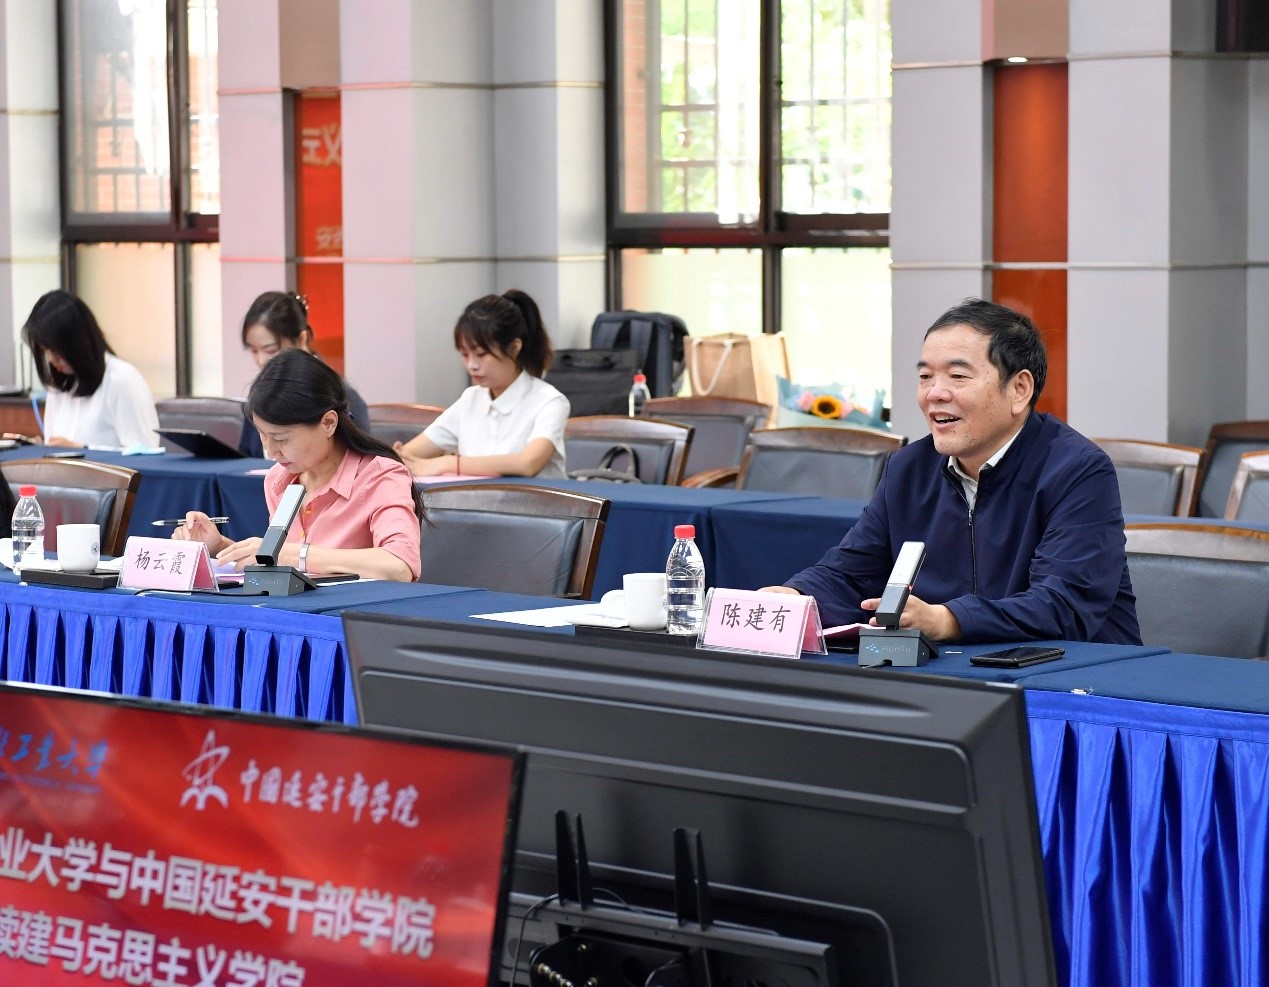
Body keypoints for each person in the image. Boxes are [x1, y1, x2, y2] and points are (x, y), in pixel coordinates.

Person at [762, 298, 1141, 645]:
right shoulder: (908, 468)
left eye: (957, 376)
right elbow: (851, 573)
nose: (934, 393)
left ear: (1019, 389)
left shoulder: (1076, 471)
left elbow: (1062, 606)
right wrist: (792, 597)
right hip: (956, 674)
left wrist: (947, 620)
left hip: (1076, 682)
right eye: (925, 377)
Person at [175, 349, 422, 582]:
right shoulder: (279, 480)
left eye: (281, 438)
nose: (271, 451)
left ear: (328, 423)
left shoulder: (381, 477)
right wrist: (219, 547)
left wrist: (297, 554)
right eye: (262, 435)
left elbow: (400, 565)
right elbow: (284, 568)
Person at [396, 289, 569, 480]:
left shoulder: (550, 401)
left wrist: (448, 463)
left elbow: (528, 463)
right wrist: (396, 457)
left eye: (481, 354)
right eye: (464, 354)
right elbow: (410, 453)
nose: (472, 365)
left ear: (514, 348)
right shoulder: (470, 399)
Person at [237, 291, 371, 457]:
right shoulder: (261, 391)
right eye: (254, 351)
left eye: (271, 350)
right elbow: (248, 456)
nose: (261, 360)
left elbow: (360, 462)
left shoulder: (339, 395)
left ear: (302, 339)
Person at [22, 290, 160, 449]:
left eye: (55, 350)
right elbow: (57, 445)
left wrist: (84, 450)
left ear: (78, 343)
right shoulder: (59, 388)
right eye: (45, 350)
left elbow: (146, 454)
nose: (51, 359)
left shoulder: (122, 380)